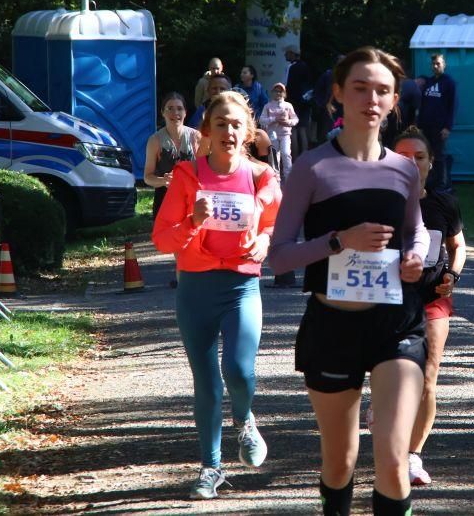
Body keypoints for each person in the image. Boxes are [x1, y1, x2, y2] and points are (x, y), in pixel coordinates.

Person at [269, 47, 429, 516]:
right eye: (360, 88)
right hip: (332, 326)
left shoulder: (403, 168)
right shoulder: (312, 167)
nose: (371, 99)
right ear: (338, 93)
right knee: (340, 463)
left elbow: (416, 229)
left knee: (394, 461)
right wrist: (339, 242)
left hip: (396, 325)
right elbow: (278, 258)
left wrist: (416, 256)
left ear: (394, 100)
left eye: (382, 91)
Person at [151, 90, 282, 500]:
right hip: (195, 289)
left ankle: (244, 419)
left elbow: (276, 223)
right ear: (206, 130)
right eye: (220, 124)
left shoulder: (262, 176)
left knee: (239, 371)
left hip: (241, 286)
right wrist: (192, 221)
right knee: (207, 383)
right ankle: (211, 468)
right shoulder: (187, 176)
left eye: (236, 124)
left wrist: (265, 240)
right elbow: (161, 239)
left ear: (248, 133)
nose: (229, 131)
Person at [391, 126, 466, 488]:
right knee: (391, 372)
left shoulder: (444, 203)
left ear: (431, 163)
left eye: (419, 157)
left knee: (428, 374)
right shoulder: (379, 202)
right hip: (388, 299)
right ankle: (386, 416)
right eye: (403, 157)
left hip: (434, 297)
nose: (411, 163)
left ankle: (413, 455)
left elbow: (457, 245)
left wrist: (453, 274)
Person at [144, 92, 201, 220]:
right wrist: (163, 181)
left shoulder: (196, 137)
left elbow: (205, 170)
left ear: (185, 113)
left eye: (179, 108)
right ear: (162, 112)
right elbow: (147, 177)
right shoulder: (155, 140)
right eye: (170, 108)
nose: (175, 113)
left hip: (191, 197)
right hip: (164, 199)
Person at [416, 54, 457, 192]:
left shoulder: (449, 82)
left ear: (444, 65)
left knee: (439, 155)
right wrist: (419, 126)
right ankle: (430, 183)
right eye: (433, 64)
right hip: (425, 126)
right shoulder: (429, 82)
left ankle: (443, 184)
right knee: (428, 155)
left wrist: (447, 127)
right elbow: (422, 105)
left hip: (439, 127)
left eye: (438, 63)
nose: (435, 66)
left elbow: (452, 106)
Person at [259, 82, 299, 178]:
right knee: (274, 155)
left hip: (285, 134)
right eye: (276, 91)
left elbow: (295, 119)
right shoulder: (267, 106)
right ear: (272, 93)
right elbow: (261, 120)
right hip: (272, 134)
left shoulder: (288, 105)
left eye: (280, 91)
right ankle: (276, 177)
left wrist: (288, 122)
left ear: (284, 93)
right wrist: (274, 119)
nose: (278, 93)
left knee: (286, 153)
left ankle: (288, 176)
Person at [285, 45, 314, 159]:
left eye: (287, 53)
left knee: (293, 131)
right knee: (302, 130)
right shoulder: (306, 66)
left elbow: (287, 86)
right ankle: (305, 158)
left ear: (292, 54)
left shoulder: (291, 67)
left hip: (293, 103)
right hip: (305, 103)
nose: (285, 55)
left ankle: (295, 158)